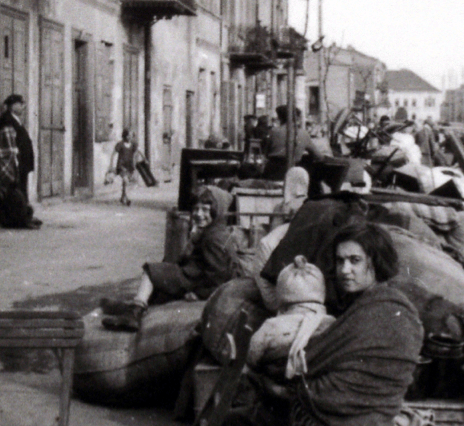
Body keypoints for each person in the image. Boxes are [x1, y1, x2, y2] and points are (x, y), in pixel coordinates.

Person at [216, 221, 424, 426]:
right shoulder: (368, 305)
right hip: (341, 424)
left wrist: (284, 382)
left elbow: (324, 371)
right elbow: (324, 358)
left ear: (375, 263)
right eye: (340, 261)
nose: (344, 270)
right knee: (254, 416)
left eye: (355, 261)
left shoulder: (386, 310)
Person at [99, 185, 238, 332]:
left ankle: (134, 313)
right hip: (196, 274)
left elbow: (218, 277)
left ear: (217, 212)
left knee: (151, 271)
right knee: (159, 290)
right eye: (196, 209)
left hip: (195, 279)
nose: (198, 214)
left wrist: (199, 294)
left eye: (205, 210)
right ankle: (130, 307)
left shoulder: (214, 239)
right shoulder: (215, 231)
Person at [0, 94, 41, 229]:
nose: (23, 106)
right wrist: (15, 162)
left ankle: (25, 217)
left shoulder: (14, 119)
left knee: (21, 192)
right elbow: (9, 145)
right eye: (21, 104)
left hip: (21, 164)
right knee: (16, 193)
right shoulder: (7, 120)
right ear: (13, 106)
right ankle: (20, 220)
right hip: (15, 163)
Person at [262, 105, 322, 180]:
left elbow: (265, 152)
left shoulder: (273, 132)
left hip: (272, 172)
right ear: (297, 118)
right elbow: (318, 156)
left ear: (280, 118)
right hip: (293, 172)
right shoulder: (303, 133)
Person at [107, 129, 140, 207]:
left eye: (131, 135)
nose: (129, 137)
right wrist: (111, 164)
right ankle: (126, 199)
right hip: (121, 166)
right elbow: (113, 154)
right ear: (124, 136)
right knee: (126, 181)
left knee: (125, 183)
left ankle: (122, 197)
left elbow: (138, 152)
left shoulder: (133, 145)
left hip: (130, 166)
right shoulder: (120, 144)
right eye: (128, 135)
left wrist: (143, 159)